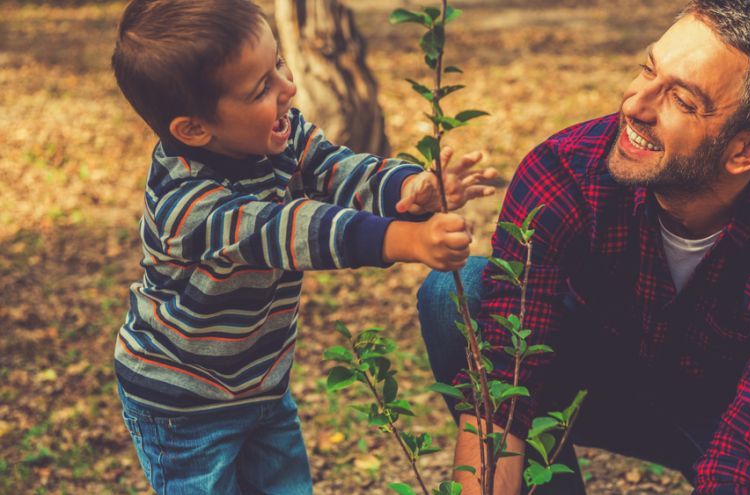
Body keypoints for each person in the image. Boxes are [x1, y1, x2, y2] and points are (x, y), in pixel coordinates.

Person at [418, 0, 750, 493]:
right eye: (648, 70)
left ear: (747, 150)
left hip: (731, 408)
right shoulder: (565, 172)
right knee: (456, 289)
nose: (635, 105)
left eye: (681, 100)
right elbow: (504, 386)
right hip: (588, 379)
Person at [110, 1, 496, 493]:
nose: (287, 87)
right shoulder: (188, 206)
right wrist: (407, 240)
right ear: (194, 129)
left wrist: (408, 190)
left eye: (277, 65)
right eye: (261, 89)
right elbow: (290, 229)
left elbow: (340, 169)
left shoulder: (280, 135)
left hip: (261, 385)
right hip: (183, 408)